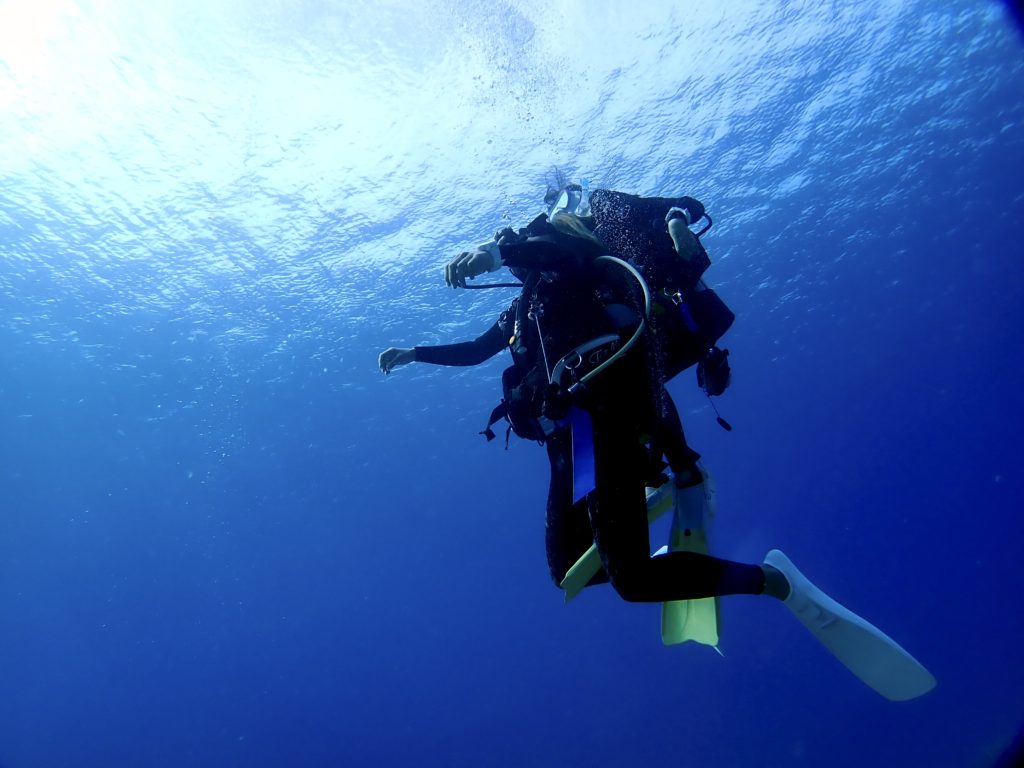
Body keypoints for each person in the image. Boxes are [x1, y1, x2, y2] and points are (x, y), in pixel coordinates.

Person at [379, 190, 936, 701]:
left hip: (613, 410)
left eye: (529, 240)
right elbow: (477, 350)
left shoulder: (581, 263)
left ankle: (776, 583)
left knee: (633, 582)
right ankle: (653, 524)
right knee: (568, 569)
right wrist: (414, 353)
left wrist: (498, 250)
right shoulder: (526, 308)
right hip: (571, 439)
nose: (524, 252)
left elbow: (559, 253)